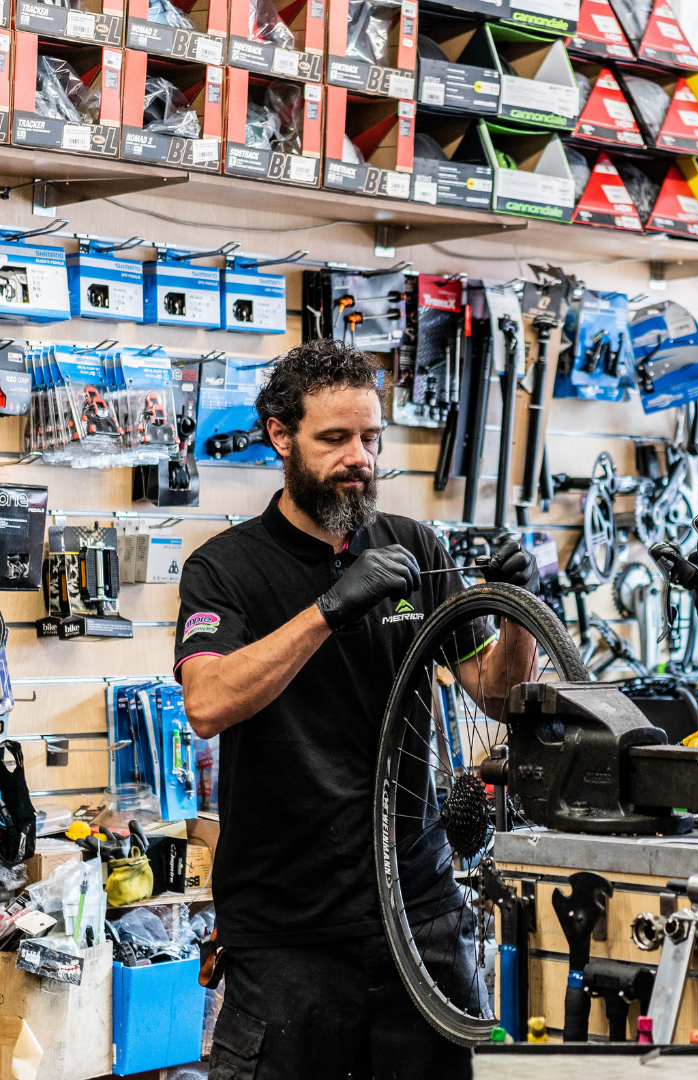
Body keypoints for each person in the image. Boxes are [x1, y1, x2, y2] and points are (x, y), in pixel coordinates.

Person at [174, 339, 540, 1079]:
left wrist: (519, 612)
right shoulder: (225, 567)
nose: (360, 458)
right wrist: (328, 610)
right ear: (281, 436)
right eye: (334, 439)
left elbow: (498, 697)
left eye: (370, 438)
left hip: (420, 917)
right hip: (289, 933)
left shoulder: (415, 545)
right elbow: (208, 703)